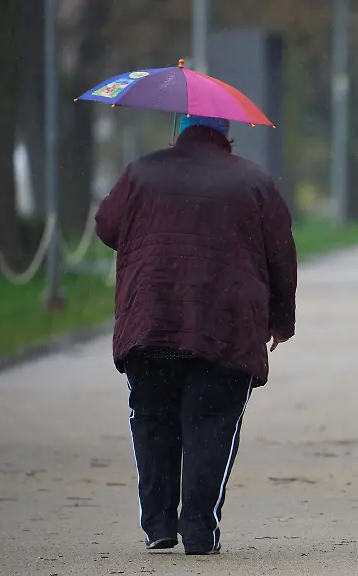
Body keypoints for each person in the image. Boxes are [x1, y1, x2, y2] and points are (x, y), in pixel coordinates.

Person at [95, 114, 298, 555]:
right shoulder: (253, 181)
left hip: (149, 321)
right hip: (224, 327)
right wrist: (281, 320)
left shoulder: (142, 172)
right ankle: (200, 530)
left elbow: (107, 228)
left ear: (178, 131)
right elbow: (281, 254)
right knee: (213, 425)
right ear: (226, 133)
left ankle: (159, 525)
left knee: (152, 421)